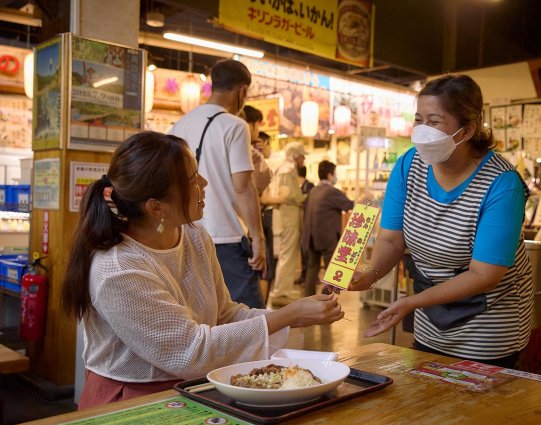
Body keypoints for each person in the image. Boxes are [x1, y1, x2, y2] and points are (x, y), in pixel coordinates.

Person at [60, 132, 344, 409]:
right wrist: (287, 315)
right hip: (131, 401)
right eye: (193, 180)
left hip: (195, 388)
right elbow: (190, 350)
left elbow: (224, 314)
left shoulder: (194, 235)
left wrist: (292, 316)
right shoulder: (118, 269)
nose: (205, 184)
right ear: (156, 208)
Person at [342, 74, 533, 368]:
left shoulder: (501, 184)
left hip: (488, 326)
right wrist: (368, 274)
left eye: (434, 122)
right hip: (430, 317)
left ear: (467, 130)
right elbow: (392, 239)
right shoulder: (409, 164)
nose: (421, 131)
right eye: (418, 119)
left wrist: (411, 303)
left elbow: (485, 275)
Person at [169, 59, 266, 309]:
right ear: (242, 91)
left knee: (204, 313)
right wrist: (258, 238)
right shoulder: (234, 126)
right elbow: (243, 187)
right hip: (226, 237)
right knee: (247, 316)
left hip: (186, 234)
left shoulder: (179, 126)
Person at [303, 161, 354, 296]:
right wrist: (365, 200)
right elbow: (349, 205)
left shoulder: (313, 190)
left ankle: (308, 301)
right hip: (327, 236)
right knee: (331, 270)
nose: (336, 176)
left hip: (310, 236)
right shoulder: (332, 191)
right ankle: (326, 299)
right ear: (330, 175)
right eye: (335, 173)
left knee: (312, 268)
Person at [269, 142, 308, 306]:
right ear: (295, 155)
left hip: (289, 217)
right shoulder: (287, 170)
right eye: (302, 155)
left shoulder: (286, 169)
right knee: (288, 255)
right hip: (288, 218)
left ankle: (283, 290)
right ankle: (280, 293)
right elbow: (289, 194)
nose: (304, 159)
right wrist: (306, 197)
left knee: (289, 255)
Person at [242, 105, 272, 197]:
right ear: (251, 126)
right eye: (258, 125)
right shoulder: (248, 151)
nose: (258, 131)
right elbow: (262, 180)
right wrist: (261, 156)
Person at [296, 165, 315, 285]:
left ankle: (308, 277)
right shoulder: (298, 186)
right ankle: (304, 275)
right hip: (300, 222)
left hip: (307, 223)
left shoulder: (310, 186)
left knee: (308, 252)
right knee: (303, 250)